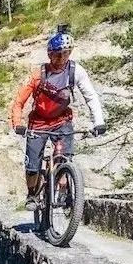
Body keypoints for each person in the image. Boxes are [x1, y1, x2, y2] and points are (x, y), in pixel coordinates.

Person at [9, 27, 107, 211]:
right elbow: (19, 101)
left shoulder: (75, 71)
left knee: (65, 158)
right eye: (57, 54)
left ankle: (64, 190)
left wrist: (98, 122)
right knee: (32, 165)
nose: (62, 58)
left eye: (66, 53)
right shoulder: (38, 75)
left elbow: (91, 96)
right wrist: (18, 124)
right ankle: (32, 194)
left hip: (62, 121)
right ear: (50, 54)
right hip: (38, 122)